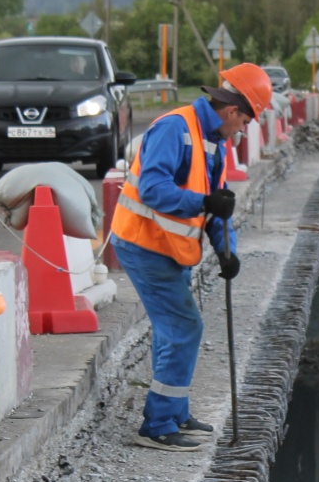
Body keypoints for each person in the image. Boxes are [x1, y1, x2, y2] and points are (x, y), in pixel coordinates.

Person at [108, 62, 273, 451]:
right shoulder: (175, 129)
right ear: (231, 111)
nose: (243, 129)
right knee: (184, 328)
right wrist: (204, 202)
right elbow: (153, 190)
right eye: (245, 121)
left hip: (172, 247)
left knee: (173, 329)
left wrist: (226, 249)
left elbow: (218, 206)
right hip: (144, 244)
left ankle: (176, 410)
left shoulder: (211, 140)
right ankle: (158, 425)